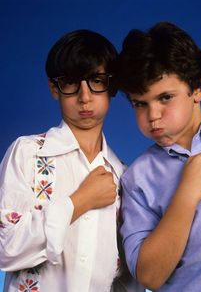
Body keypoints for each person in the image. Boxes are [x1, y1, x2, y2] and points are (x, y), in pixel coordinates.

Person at [0, 29, 143, 292]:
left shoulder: (125, 176)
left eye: (97, 80)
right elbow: (6, 249)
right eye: (70, 82)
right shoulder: (28, 153)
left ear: (112, 87)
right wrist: (80, 201)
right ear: (54, 88)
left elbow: (127, 279)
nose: (85, 96)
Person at [116, 21, 201, 291]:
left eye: (165, 97)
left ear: (198, 89)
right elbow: (148, 275)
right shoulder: (137, 179)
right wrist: (187, 193)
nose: (152, 115)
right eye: (139, 103)